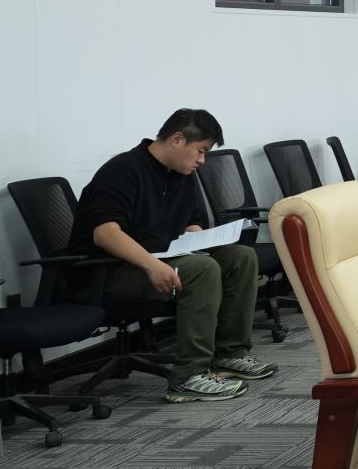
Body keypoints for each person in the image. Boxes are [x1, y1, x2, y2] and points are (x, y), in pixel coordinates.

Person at [71, 108, 276, 403]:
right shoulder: (123, 170)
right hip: (107, 273)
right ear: (178, 139)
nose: (202, 160)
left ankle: (229, 354)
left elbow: (191, 223)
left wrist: (204, 241)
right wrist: (152, 265)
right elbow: (105, 234)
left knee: (240, 257)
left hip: (158, 259)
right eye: (201, 151)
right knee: (201, 269)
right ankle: (188, 377)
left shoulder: (181, 174)